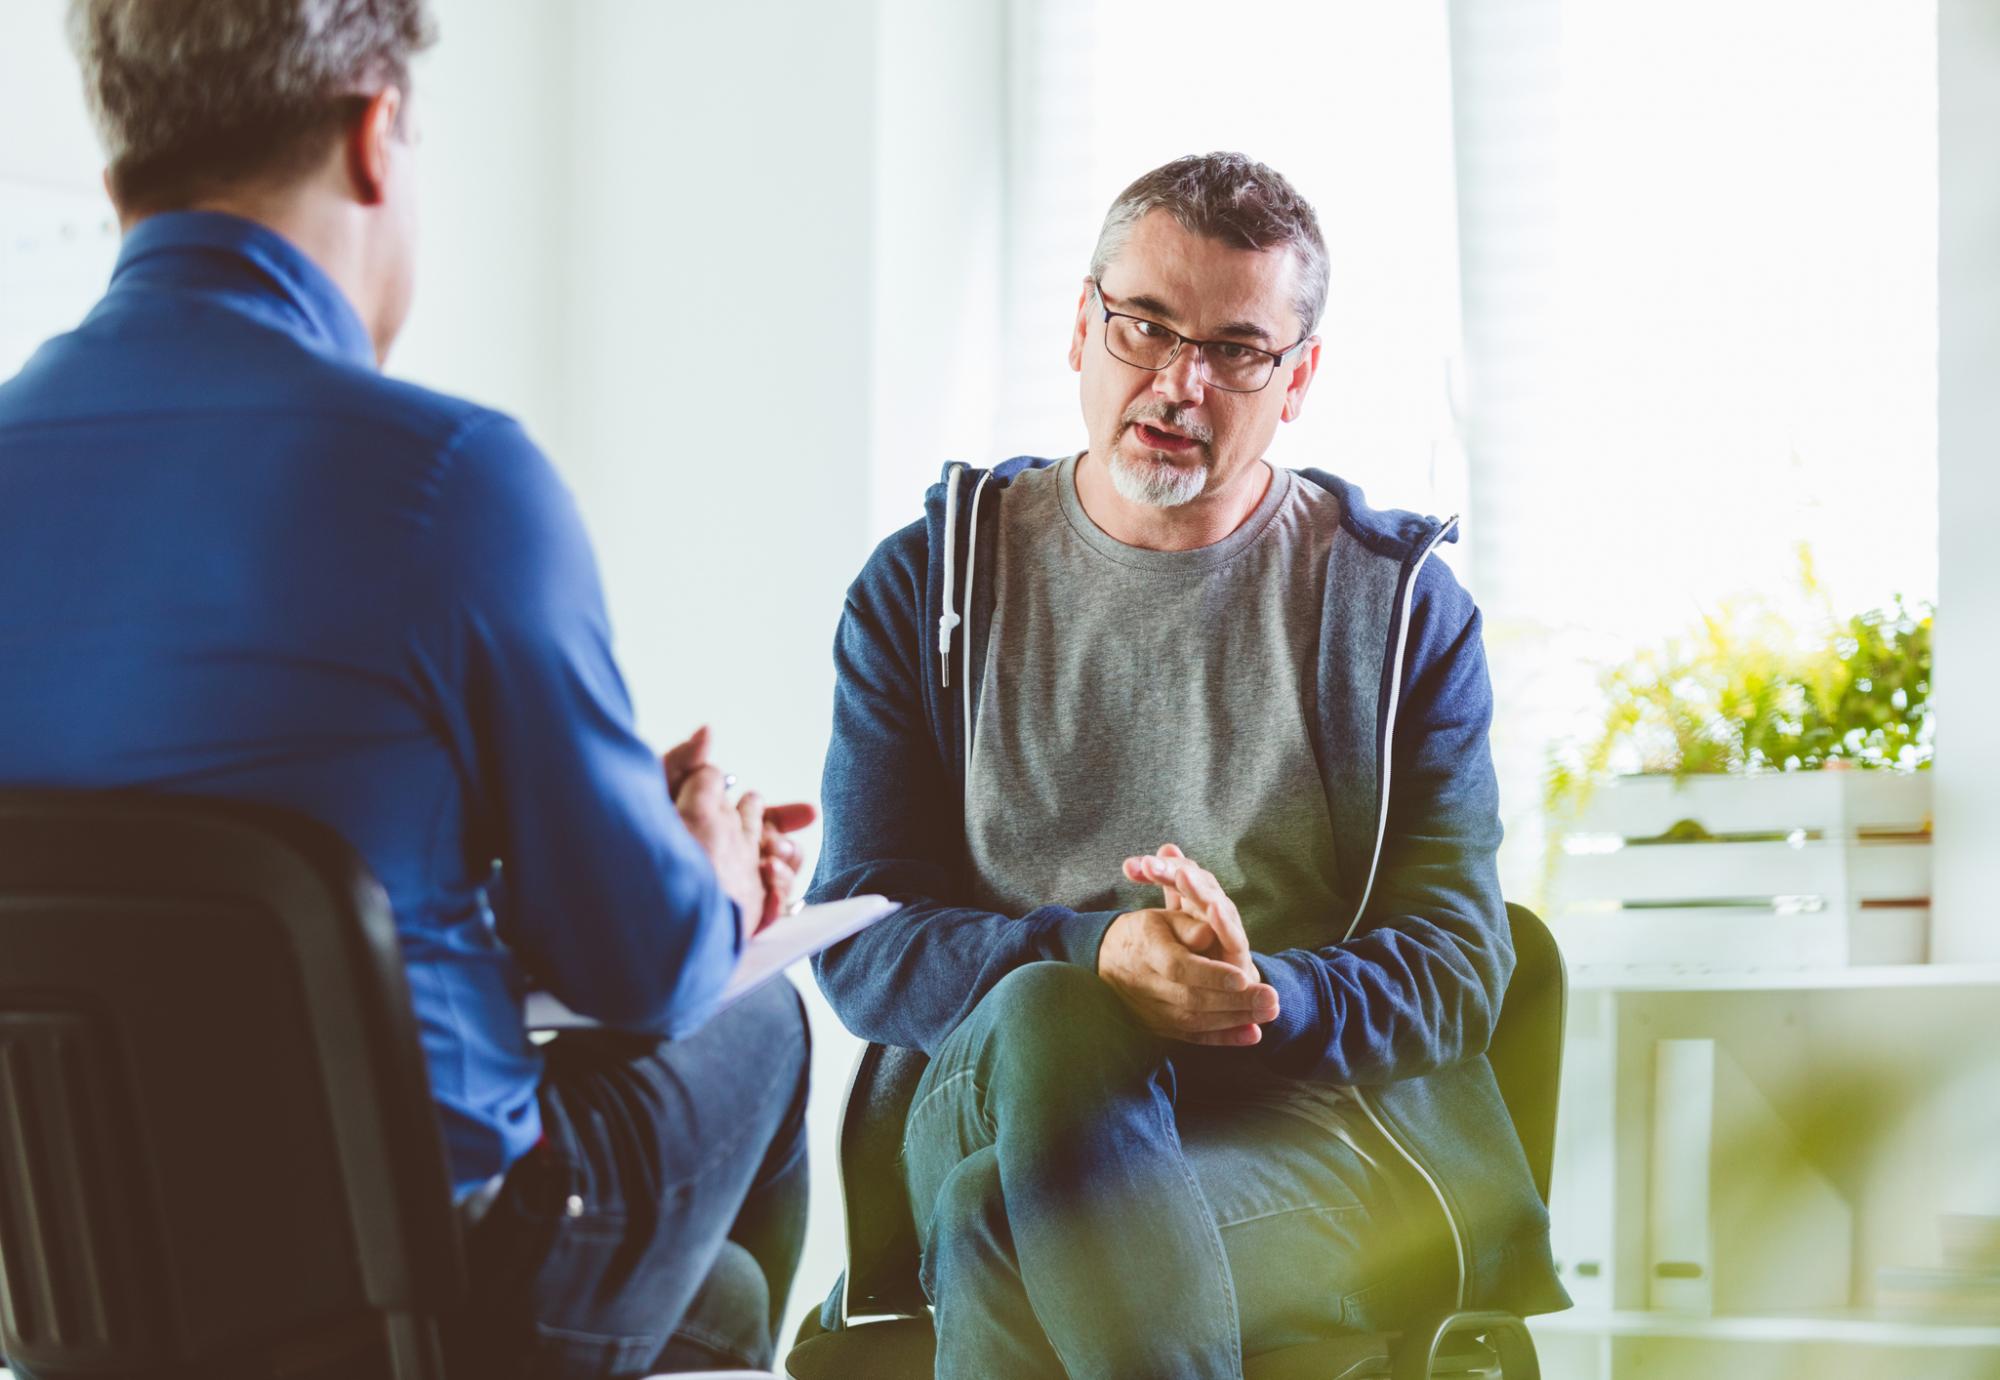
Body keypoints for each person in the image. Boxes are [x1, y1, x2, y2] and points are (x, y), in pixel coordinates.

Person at [0, 2, 812, 1373]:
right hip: (417, 1285)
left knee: (710, 1302)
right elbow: (645, 968)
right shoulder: (451, 482)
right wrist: (710, 863)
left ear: (125, 169)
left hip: (80, 1280)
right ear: (377, 134)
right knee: (764, 1019)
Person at [807, 151, 1569, 1377]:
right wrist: (1092, 953)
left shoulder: (1395, 608)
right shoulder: (930, 588)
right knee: (1058, 1015)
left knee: (1002, 1231)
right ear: (1079, 326)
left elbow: (1461, 965)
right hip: (985, 1092)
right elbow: (858, 935)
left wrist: (1259, 992)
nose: (1178, 383)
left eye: (1234, 350)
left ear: (1297, 377)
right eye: (1143, 328)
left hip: (1296, 1138)